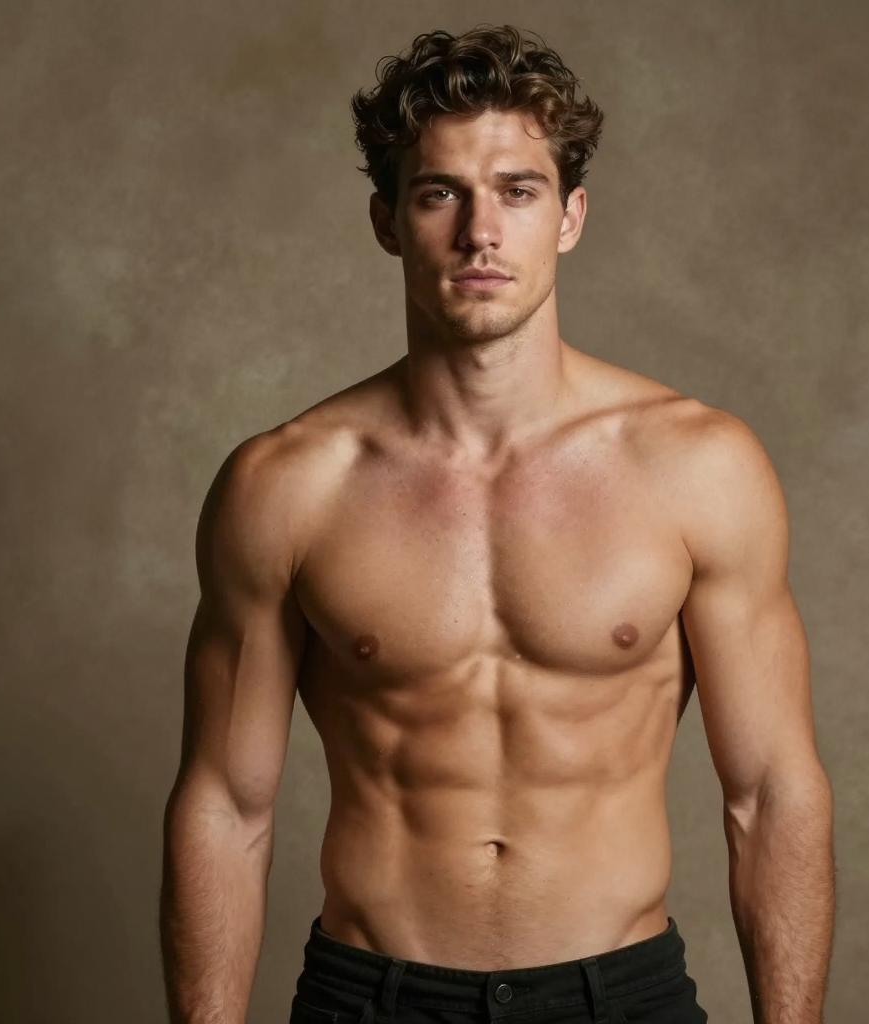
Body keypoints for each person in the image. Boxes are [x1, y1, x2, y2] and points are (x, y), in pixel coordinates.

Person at [159, 23, 835, 1024]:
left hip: (619, 998)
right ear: (388, 220)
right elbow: (225, 804)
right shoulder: (288, 484)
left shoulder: (698, 467)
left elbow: (771, 792)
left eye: (518, 191)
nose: (481, 232)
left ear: (569, 216)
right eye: (441, 194)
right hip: (372, 997)